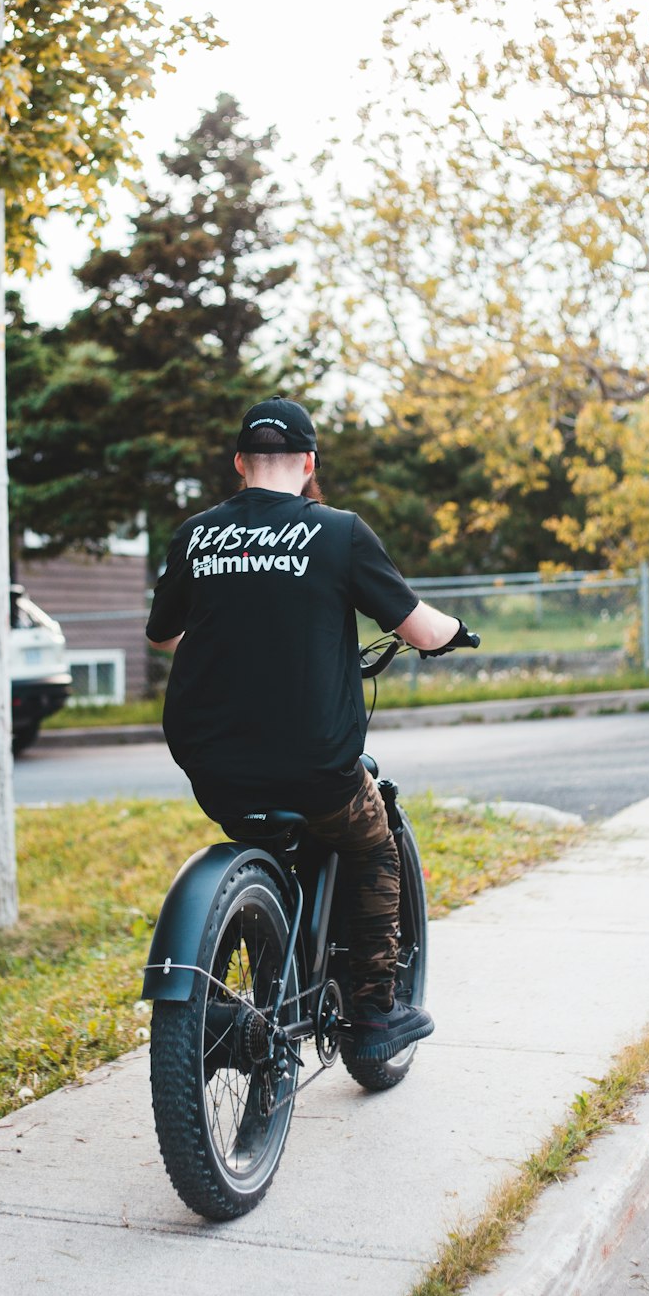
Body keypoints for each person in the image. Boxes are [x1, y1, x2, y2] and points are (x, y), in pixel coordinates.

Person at [145, 395, 477, 1063]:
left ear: (240, 463)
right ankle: (375, 1013)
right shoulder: (338, 532)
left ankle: (264, 946)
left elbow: (165, 634)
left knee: (277, 817)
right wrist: (456, 636)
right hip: (315, 765)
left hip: (213, 767)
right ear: (308, 462)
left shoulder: (196, 536)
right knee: (372, 841)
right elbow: (418, 627)